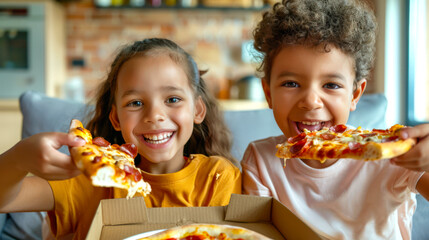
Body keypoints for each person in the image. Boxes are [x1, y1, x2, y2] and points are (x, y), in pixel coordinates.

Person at [0, 38, 241, 239]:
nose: (154, 116)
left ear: (197, 110)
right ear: (116, 118)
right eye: (135, 103)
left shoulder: (217, 178)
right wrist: (20, 157)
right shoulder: (93, 179)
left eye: (172, 99)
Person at [241, 0, 429, 239]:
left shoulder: (389, 153)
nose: (310, 101)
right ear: (269, 94)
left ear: (355, 94)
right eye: (291, 83)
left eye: (331, 85)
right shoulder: (260, 161)